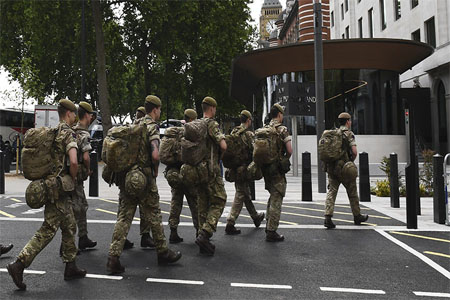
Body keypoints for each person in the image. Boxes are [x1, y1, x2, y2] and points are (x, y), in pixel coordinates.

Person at [7, 99, 87, 291]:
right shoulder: (68, 134)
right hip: (60, 188)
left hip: (54, 186)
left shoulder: (53, 132)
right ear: (68, 113)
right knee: (48, 229)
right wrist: (74, 179)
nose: (75, 116)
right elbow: (74, 162)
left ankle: (70, 265)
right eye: (74, 113)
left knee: (69, 225)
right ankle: (19, 264)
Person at [106, 95, 181, 275]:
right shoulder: (151, 127)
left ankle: (113, 257)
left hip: (128, 179)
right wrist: (155, 170)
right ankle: (162, 252)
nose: (160, 112)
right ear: (155, 109)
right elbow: (155, 155)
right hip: (145, 179)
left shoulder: (134, 125)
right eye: (160, 110)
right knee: (154, 214)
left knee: (124, 217)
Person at [324, 112, 369, 229]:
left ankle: (328, 217)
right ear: (348, 121)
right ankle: (357, 216)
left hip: (332, 167)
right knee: (352, 191)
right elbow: (354, 152)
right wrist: (350, 162)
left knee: (332, 191)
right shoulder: (348, 134)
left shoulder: (332, 133)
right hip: (344, 168)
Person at [195, 96, 227, 256]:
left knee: (202, 204)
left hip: (197, 171)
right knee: (219, 200)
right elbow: (223, 145)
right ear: (212, 108)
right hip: (211, 171)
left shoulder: (197, 124)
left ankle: (202, 241)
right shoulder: (211, 124)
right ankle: (205, 233)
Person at [121, 106, 156, 250]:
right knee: (150, 209)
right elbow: (154, 155)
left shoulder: (130, 128)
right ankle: (147, 237)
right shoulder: (148, 128)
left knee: (125, 212)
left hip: (128, 175)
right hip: (144, 175)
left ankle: (119, 244)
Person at [225, 110, 264, 235]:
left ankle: (255, 217)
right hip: (243, 169)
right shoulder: (248, 135)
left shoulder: (233, 131)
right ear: (248, 120)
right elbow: (255, 151)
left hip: (234, 169)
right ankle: (230, 221)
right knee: (241, 194)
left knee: (244, 193)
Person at [167, 109, 199, 243]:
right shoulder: (191, 133)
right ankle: (199, 231)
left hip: (174, 171)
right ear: (192, 119)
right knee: (194, 202)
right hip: (188, 172)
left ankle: (173, 232)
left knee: (176, 202)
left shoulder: (175, 133)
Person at [262, 104, 292, 242]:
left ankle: (268, 224)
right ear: (279, 114)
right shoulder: (282, 129)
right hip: (277, 169)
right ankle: (272, 230)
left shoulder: (264, 129)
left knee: (272, 195)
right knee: (277, 196)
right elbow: (290, 150)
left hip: (266, 168)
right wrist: (284, 160)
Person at [72, 101, 97, 251]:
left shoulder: (73, 130)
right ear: (87, 115)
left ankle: (83, 237)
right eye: (91, 115)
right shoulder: (84, 133)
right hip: (77, 176)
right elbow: (86, 157)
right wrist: (88, 170)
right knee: (76, 209)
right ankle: (68, 244)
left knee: (81, 207)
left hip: (72, 176)